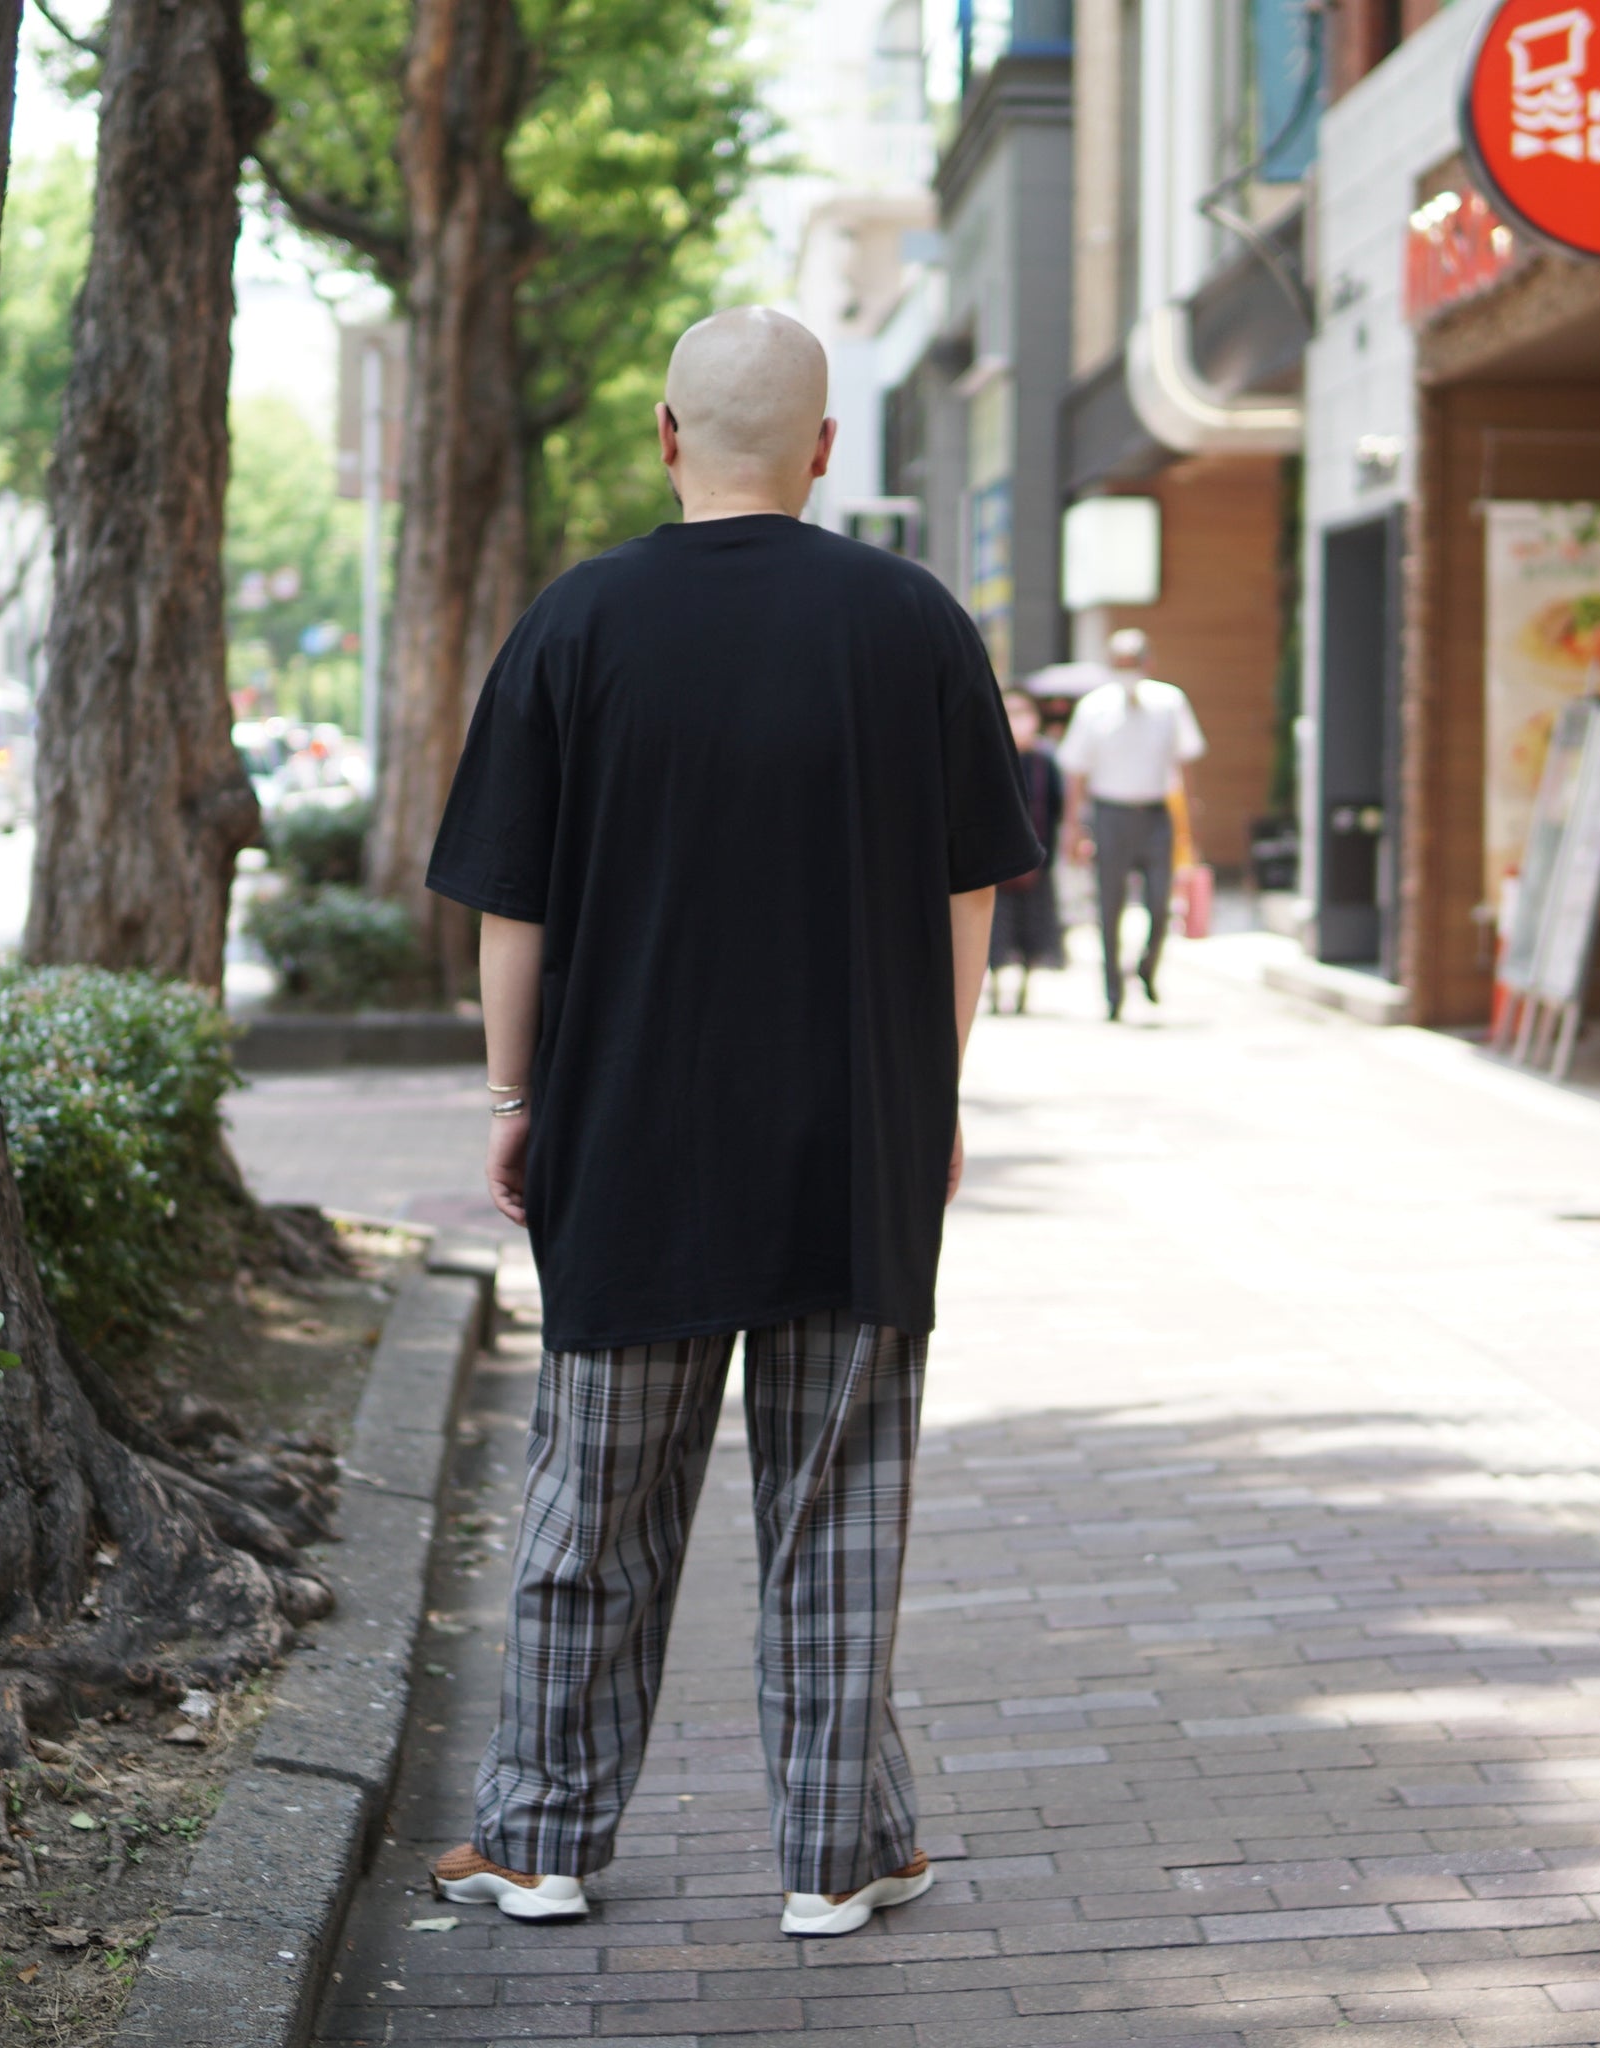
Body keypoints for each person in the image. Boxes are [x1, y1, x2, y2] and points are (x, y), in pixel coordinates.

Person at [422, 307, 1042, 1939]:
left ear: (663, 432)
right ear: (824, 449)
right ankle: (835, 1853)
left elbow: (512, 904)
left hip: (630, 1141)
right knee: (834, 1514)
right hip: (859, 1137)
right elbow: (968, 889)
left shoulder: (577, 622)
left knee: (591, 1514)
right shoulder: (911, 622)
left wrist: (512, 1096)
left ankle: (541, 1837)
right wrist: (937, 1084)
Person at [1058, 627, 1205, 1020]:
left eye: (1132, 663)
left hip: (1156, 814)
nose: (1126, 670)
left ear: (1148, 663)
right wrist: (1074, 827)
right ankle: (1112, 992)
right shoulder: (1094, 707)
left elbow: (1186, 760)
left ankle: (1147, 966)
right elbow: (1076, 769)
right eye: (1119, 663)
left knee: (1160, 902)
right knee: (1109, 907)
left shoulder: (1170, 702)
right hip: (1109, 815)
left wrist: (1190, 818)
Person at [987, 689, 1066, 1014]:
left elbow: (1056, 809)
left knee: (1034, 928)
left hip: (1038, 859)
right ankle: (993, 989)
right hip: (994, 862)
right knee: (995, 928)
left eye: (1024, 711)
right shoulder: (989, 754)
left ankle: (1024, 990)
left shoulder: (1046, 761)